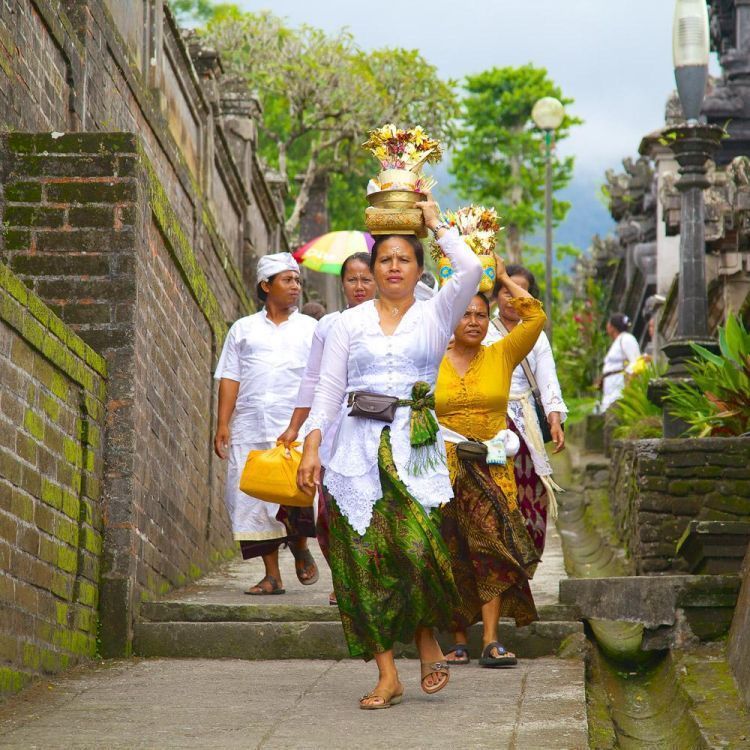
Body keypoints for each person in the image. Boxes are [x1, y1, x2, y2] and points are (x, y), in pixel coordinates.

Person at [297, 198, 483, 710]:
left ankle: (426, 639)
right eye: (385, 260)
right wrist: (312, 445)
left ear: (420, 269)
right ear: (370, 270)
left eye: (404, 258)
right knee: (360, 563)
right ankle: (386, 674)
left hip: (414, 446)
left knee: (419, 550)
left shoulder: (437, 311)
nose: (394, 267)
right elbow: (329, 390)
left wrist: (436, 224)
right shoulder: (346, 324)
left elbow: (470, 267)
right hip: (355, 451)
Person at [436, 278, 547, 669]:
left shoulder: (501, 354)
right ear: (450, 318)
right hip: (441, 469)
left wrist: (500, 277)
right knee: (450, 550)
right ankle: (458, 639)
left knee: (491, 548)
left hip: (492, 466)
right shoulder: (429, 357)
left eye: (481, 315)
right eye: (464, 313)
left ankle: (491, 639)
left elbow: (535, 316)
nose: (473, 321)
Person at [213, 252, 318, 596]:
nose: (295, 287)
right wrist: (223, 423)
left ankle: (300, 546)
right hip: (250, 427)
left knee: (298, 495)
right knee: (254, 500)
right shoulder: (243, 329)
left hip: (297, 429)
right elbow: (230, 377)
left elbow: (320, 379)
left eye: (297, 281)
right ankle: (272, 575)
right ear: (266, 285)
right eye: (287, 280)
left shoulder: (311, 329)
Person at [278, 252, 376, 605]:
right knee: (331, 509)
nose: (360, 286)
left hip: (381, 426)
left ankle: (371, 578)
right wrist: (296, 428)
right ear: (342, 284)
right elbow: (313, 380)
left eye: (367, 279)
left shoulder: (393, 322)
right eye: (353, 279)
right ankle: (344, 578)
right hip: (334, 428)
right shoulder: (329, 325)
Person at [483, 265, 567, 556]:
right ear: (496, 295)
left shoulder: (537, 336)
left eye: (520, 291)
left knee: (530, 486)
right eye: (505, 290)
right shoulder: (481, 329)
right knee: (495, 484)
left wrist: (554, 418)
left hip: (527, 421)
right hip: (491, 424)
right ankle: (499, 558)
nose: (512, 298)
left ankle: (525, 557)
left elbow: (547, 378)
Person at [598, 312, 641, 412]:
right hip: (611, 388)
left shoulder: (626, 339)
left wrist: (629, 383)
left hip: (619, 388)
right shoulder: (617, 342)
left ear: (612, 327)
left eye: (608, 324)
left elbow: (635, 362)